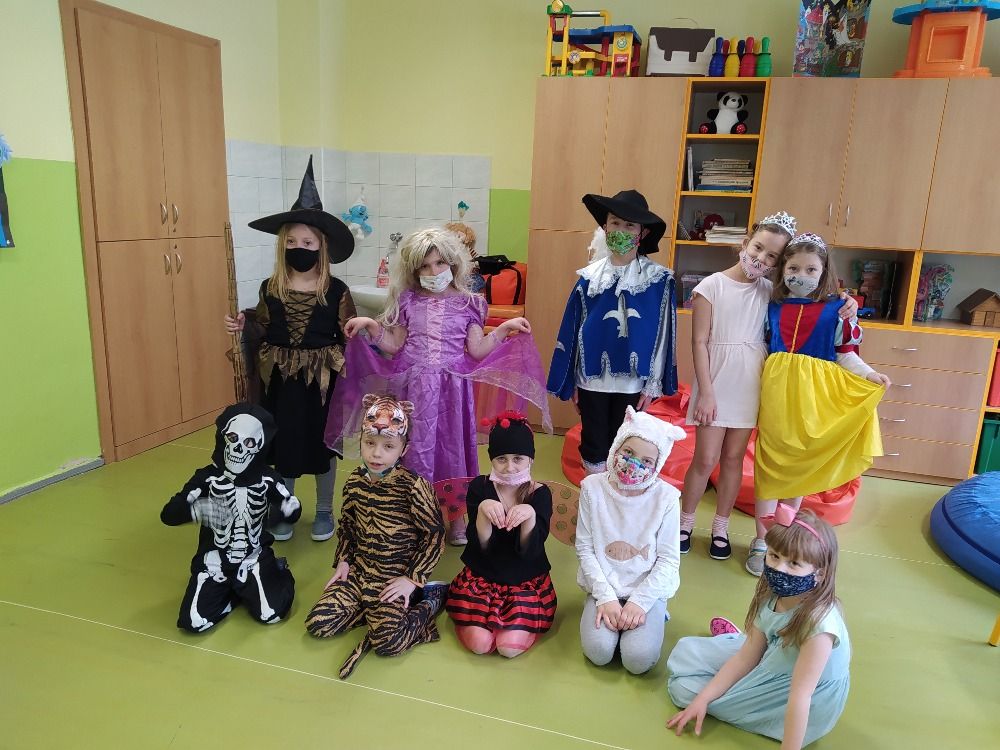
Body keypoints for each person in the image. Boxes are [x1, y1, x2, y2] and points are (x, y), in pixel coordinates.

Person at [325, 227, 552, 546]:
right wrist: (371, 326)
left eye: (440, 263)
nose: (433, 272)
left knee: (452, 450)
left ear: (453, 263)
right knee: (415, 450)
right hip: (415, 391)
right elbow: (394, 344)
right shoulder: (407, 301)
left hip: (452, 392)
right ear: (414, 270)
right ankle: (414, 518)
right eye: (425, 266)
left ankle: (456, 518)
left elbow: (477, 350)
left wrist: (503, 330)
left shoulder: (469, 303)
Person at [679, 213, 858, 562]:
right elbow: (699, 342)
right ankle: (685, 523)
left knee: (733, 460)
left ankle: (720, 527)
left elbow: (814, 300)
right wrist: (707, 393)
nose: (761, 258)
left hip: (752, 384)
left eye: (772, 256)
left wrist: (846, 298)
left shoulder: (772, 293)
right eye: (758, 248)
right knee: (705, 458)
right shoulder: (711, 286)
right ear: (745, 244)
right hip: (717, 379)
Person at [224, 157, 355, 543]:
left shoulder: (336, 290)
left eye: (308, 243)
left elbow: (349, 334)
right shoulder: (271, 287)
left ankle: (325, 510)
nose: (300, 248)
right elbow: (263, 325)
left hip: (322, 383)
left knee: (322, 445)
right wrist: (244, 325)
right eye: (292, 242)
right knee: (282, 445)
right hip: (280, 380)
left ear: (321, 247)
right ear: (283, 246)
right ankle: (284, 508)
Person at [747, 232, 889, 576]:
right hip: (777, 396)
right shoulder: (771, 306)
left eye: (811, 269)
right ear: (783, 269)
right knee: (770, 464)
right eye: (794, 268)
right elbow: (760, 347)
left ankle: (784, 539)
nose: (801, 275)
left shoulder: (837, 311)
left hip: (813, 398)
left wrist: (870, 374)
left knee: (800, 465)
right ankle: (762, 541)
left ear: (824, 271)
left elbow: (846, 355)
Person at [666, 506, 850, 749]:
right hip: (774, 658)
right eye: (774, 556)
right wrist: (704, 699)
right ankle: (748, 640)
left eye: (794, 563)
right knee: (685, 651)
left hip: (795, 692)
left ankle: (743, 642)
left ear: (819, 574)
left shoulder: (819, 626)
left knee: (682, 689)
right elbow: (745, 658)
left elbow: (800, 696)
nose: (779, 568)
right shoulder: (773, 591)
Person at [305, 394, 447, 679]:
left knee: (389, 643)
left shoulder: (414, 487)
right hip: (360, 573)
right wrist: (343, 561)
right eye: (370, 443)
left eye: (388, 446)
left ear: (403, 448)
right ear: (360, 441)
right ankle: (371, 612)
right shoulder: (354, 482)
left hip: (395, 579)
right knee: (318, 624)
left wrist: (411, 579)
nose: (376, 454)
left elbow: (434, 536)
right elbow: (347, 526)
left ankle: (429, 601)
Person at [547, 189, 677, 475]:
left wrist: (652, 383)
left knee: (627, 448)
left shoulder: (658, 281)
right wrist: (572, 381)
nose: (621, 230)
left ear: (642, 233)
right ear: (604, 227)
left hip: (633, 383)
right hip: (592, 380)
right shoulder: (589, 278)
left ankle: (620, 500)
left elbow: (662, 336)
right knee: (593, 446)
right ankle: (594, 499)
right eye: (615, 223)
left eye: (630, 225)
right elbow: (573, 329)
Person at [160, 403, 299, 632]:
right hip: (214, 561)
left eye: (249, 443)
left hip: (253, 558)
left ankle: (278, 571)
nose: (238, 449)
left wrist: (287, 509)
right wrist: (196, 510)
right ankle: (235, 593)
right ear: (223, 438)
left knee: (272, 614)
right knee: (193, 622)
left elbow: (292, 508)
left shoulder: (268, 478)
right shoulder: (207, 478)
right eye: (233, 439)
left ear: (259, 447)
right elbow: (168, 514)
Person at [576, 406, 685, 675]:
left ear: (658, 465)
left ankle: (657, 611)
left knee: (638, 659)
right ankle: (604, 608)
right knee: (599, 651)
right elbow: (585, 548)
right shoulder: (592, 488)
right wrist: (604, 597)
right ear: (616, 447)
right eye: (628, 452)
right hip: (604, 586)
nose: (635, 464)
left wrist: (641, 602)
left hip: (647, 589)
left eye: (647, 461)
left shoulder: (667, 498)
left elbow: (669, 559)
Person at [445, 412, 557, 657]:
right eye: (501, 459)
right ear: (492, 460)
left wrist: (530, 516)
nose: (509, 467)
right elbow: (480, 547)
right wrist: (482, 512)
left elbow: (531, 553)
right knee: (480, 644)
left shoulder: (540, 494)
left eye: (518, 458)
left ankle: (513, 628)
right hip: (483, 576)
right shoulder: (480, 487)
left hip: (524, 581)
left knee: (508, 648)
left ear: (530, 459)